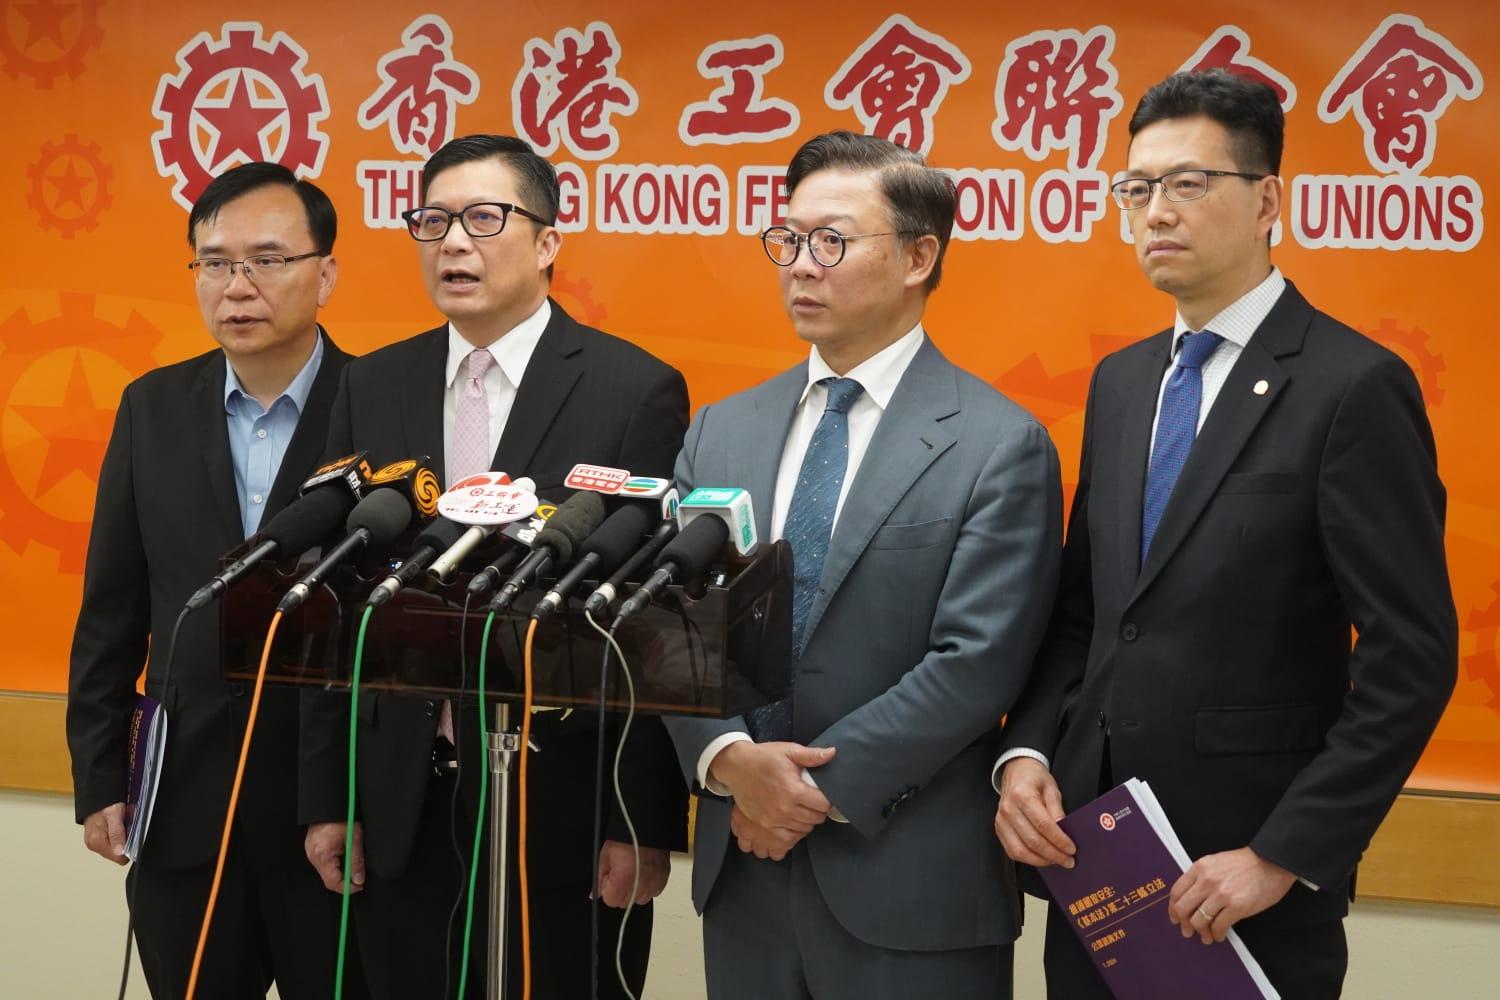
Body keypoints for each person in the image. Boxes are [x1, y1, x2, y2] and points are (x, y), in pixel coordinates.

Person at [993, 70, 1458, 999]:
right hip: (1097, 865)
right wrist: (1027, 755)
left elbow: (1411, 657)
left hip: (1244, 881)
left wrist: (1285, 851)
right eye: (1136, 188)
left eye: (1189, 183)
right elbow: (1087, 613)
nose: (1156, 212)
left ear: (1268, 203)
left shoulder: (1352, 385)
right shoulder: (1124, 383)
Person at [663, 130, 1062, 999]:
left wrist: (803, 792)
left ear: (920, 257)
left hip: (909, 885)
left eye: (832, 241)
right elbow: (675, 625)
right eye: (788, 239)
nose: (801, 265)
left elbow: (977, 662)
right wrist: (729, 761)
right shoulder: (720, 430)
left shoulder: (999, 444)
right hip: (747, 880)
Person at [298, 133, 690, 999]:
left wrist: (639, 818)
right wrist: (329, 795)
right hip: (398, 804)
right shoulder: (374, 384)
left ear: (548, 242)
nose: (452, 242)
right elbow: (340, 595)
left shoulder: (634, 390)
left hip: (565, 808)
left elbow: (649, 622)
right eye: (433, 221)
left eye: (482, 218)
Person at [67, 162, 353, 998]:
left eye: (268, 260)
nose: (238, 285)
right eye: (216, 262)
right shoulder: (151, 407)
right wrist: (99, 777)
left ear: (325, 274)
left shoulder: (379, 406)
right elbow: (112, 610)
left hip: (332, 816)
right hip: (183, 808)